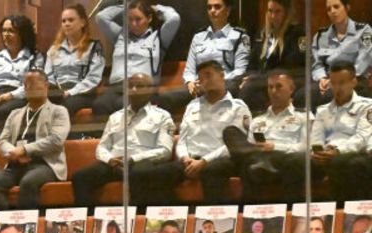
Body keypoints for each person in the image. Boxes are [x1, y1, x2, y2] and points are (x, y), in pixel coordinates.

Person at [146, 60, 252, 205]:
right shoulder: (192, 105)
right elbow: (182, 140)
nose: (204, 81)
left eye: (208, 75)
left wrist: (204, 162)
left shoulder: (238, 107)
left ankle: (213, 218)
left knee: (213, 170)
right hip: (190, 160)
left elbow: (236, 144)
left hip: (221, 160)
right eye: (201, 79)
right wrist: (185, 158)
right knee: (156, 174)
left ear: (222, 75)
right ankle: (174, 216)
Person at [72, 73, 174, 208]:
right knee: (80, 177)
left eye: (139, 86)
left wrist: (133, 159)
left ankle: (137, 218)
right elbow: (102, 147)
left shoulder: (162, 116)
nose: (134, 90)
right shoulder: (115, 117)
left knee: (141, 173)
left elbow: (165, 151)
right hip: (114, 164)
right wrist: (110, 160)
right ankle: (89, 220)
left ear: (151, 90)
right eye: (130, 86)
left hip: (140, 163)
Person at [0, 69, 69, 211]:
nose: (30, 88)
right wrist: (14, 153)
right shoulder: (15, 113)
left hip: (44, 164)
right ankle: (5, 222)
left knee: (28, 182)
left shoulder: (58, 111)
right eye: (26, 85)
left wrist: (24, 150)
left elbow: (56, 140)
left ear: (46, 85)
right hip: (16, 164)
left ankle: (27, 227)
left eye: (34, 84)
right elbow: (3, 140)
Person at [223, 70, 309, 202]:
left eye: (279, 86)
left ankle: (264, 163)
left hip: (285, 161)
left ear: (291, 89)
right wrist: (257, 149)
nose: (274, 91)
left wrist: (275, 147)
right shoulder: (258, 120)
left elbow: (305, 147)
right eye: (270, 87)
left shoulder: (303, 116)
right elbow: (248, 149)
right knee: (230, 132)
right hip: (256, 159)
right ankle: (262, 163)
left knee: (255, 162)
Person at [156, 0, 250, 114]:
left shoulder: (239, 37)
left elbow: (240, 71)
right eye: (209, 7)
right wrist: (190, 82)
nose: (212, 11)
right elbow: (189, 70)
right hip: (198, 87)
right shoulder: (198, 37)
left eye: (217, 7)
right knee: (165, 98)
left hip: (224, 86)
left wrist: (213, 82)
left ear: (228, 10)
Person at [93, 1, 181, 116]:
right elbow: (101, 17)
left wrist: (155, 8)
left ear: (149, 18)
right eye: (130, 19)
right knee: (99, 105)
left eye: (138, 19)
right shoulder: (120, 35)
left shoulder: (158, 38)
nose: (133, 24)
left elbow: (174, 18)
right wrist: (126, 7)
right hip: (116, 87)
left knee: (122, 105)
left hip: (140, 89)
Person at [311, 61, 372, 204]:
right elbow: (315, 138)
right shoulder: (322, 110)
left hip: (353, 154)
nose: (337, 87)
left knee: (342, 163)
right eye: (333, 83)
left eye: (342, 83)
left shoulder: (367, 106)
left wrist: (337, 151)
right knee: (294, 162)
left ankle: (337, 213)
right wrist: (316, 152)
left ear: (354, 82)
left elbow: (362, 138)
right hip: (325, 155)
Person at [0, 15, 45, 137]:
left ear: (22, 34)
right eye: (4, 30)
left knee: (4, 111)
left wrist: (10, 95)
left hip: (19, 95)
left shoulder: (35, 57)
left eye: (11, 31)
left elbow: (33, 86)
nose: (6, 34)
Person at [240, 0, 306, 112]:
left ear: (286, 13)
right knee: (234, 85)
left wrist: (255, 78)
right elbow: (252, 64)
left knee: (249, 88)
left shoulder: (297, 33)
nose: (273, 16)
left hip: (287, 78)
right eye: (270, 11)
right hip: (260, 78)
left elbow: (292, 65)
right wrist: (248, 76)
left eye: (278, 11)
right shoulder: (263, 34)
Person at [307, 0, 372, 109]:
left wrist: (335, 80)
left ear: (347, 7)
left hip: (354, 80)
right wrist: (322, 78)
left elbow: (363, 61)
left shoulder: (364, 31)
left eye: (336, 7)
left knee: (326, 97)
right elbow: (316, 63)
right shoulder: (321, 35)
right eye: (329, 9)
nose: (332, 11)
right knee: (303, 95)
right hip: (327, 80)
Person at [45, 5, 105, 119]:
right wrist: (55, 92)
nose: (66, 24)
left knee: (64, 107)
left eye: (71, 20)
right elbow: (47, 77)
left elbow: (93, 79)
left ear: (82, 22)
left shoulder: (94, 47)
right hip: (57, 92)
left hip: (82, 93)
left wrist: (70, 92)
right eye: (63, 21)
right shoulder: (53, 50)